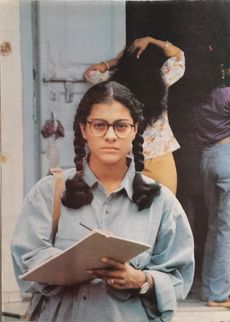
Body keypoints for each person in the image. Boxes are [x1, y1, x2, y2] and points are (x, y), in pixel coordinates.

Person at [11, 81, 194, 322]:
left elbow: (177, 276)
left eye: (121, 126)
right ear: (84, 130)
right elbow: (26, 261)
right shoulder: (49, 192)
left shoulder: (161, 202)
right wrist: (70, 266)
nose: (110, 136)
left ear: (135, 130)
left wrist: (140, 280)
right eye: (99, 125)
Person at [84, 36, 185, 195]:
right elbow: (178, 55)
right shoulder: (162, 79)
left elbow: (90, 72)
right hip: (161, 161)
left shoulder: (112, 85)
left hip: (127, 163)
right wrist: (151, 40)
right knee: (166, 213)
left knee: (129, 215)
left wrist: (117, 60)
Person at [196, 49, 230, 310]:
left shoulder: (203, 97)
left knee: (214, 226)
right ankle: (219, 295)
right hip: (228, 156)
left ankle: (208, 288)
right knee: (229, 228)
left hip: (208, 157)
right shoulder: (229, 94)